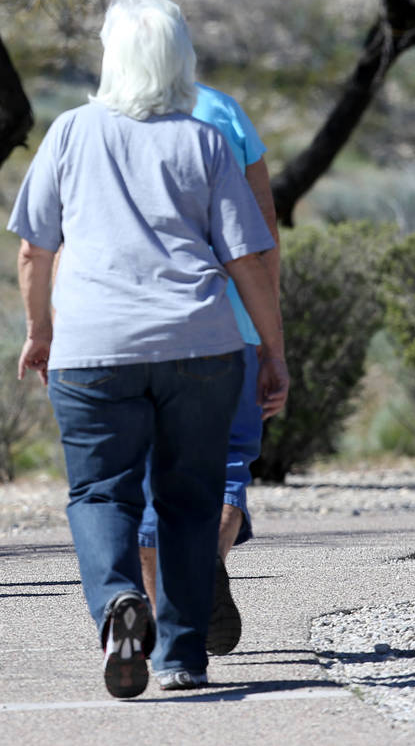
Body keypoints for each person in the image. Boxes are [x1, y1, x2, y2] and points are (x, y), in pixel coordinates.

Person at [7, 0, 288, 697]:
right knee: (189, 499)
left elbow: (34, 250)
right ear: (180, 60)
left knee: (101, 492)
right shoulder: (205, 140)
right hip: (199, 344)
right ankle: (181, 658)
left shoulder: (69, 131)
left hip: (93, 348)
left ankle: (117, 608)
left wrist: (40, 332)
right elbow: (246, 258)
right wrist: (273, 351)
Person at [138, 83, 281, 656]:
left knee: (154, 472)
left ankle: (168, 627)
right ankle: (206, 564)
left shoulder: (104, 113)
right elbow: (263, 225)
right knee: (225, 467)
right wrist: (274, 340)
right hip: (233, 325)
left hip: (141, 327)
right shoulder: (222, 111)